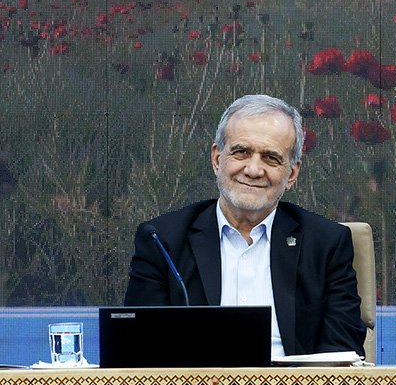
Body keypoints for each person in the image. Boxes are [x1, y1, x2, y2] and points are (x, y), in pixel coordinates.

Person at [125, 94, 366, 358]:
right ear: (217, 159)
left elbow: (341, 349)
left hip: (293, 383)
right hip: (196, 384)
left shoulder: (327, 243)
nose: (253, 170)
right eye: (241, 152)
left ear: (292, 174)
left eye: (271, 158)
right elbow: (140, 348)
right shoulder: (163, 240)